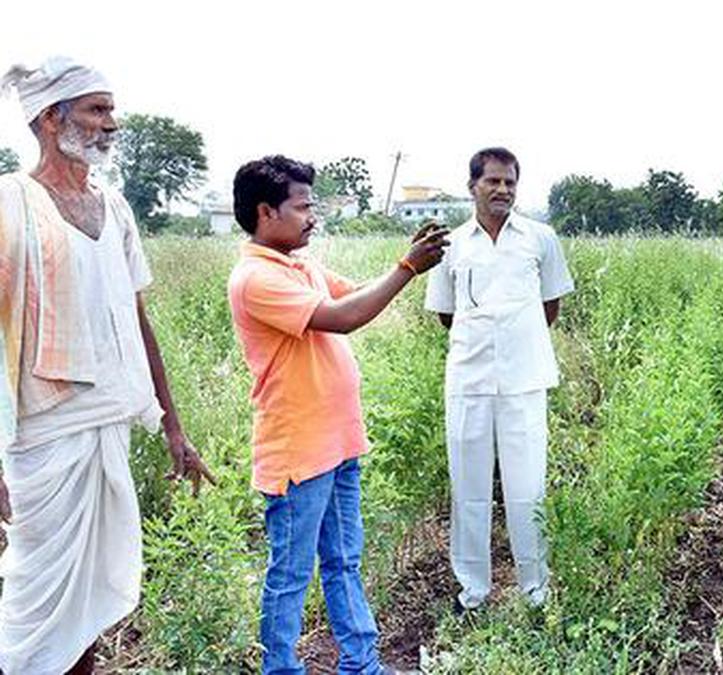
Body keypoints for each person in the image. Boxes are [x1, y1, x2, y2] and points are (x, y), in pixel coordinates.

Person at [0, 56, 215, 675]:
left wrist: (174, 426)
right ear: (50, 117)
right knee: (34, 603)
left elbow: (138, 320)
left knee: (91, 599)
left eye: (111, 110)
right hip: (41, 434)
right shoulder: (12, 203)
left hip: (108, 424)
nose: (111, 123)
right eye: (97, 109)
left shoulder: (115, 207)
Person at [227, 155, 448, 674]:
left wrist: (405, 266)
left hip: (339, 443)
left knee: (344, 562)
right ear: (266, 212)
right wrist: (407, 267)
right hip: (299, 454)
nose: (312, 217)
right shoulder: (255, 277)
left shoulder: (300, 266)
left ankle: (361, 664)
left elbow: (356, 294)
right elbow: (344, 318)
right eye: (302, 207)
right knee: (290, 575)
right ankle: (280, 669)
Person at [424, 147, 574, 612]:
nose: (502, 190)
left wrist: (514, 343)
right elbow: (447, 314)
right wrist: (485, 345)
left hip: (525, 381)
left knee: (527, 487)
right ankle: (473, 593)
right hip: (468, 380)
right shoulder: (451, 245)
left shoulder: (540, 238)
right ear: (472, 186)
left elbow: (550, 306)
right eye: (493, 181)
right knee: (468, 489)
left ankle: (536, 592)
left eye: (510, 182)